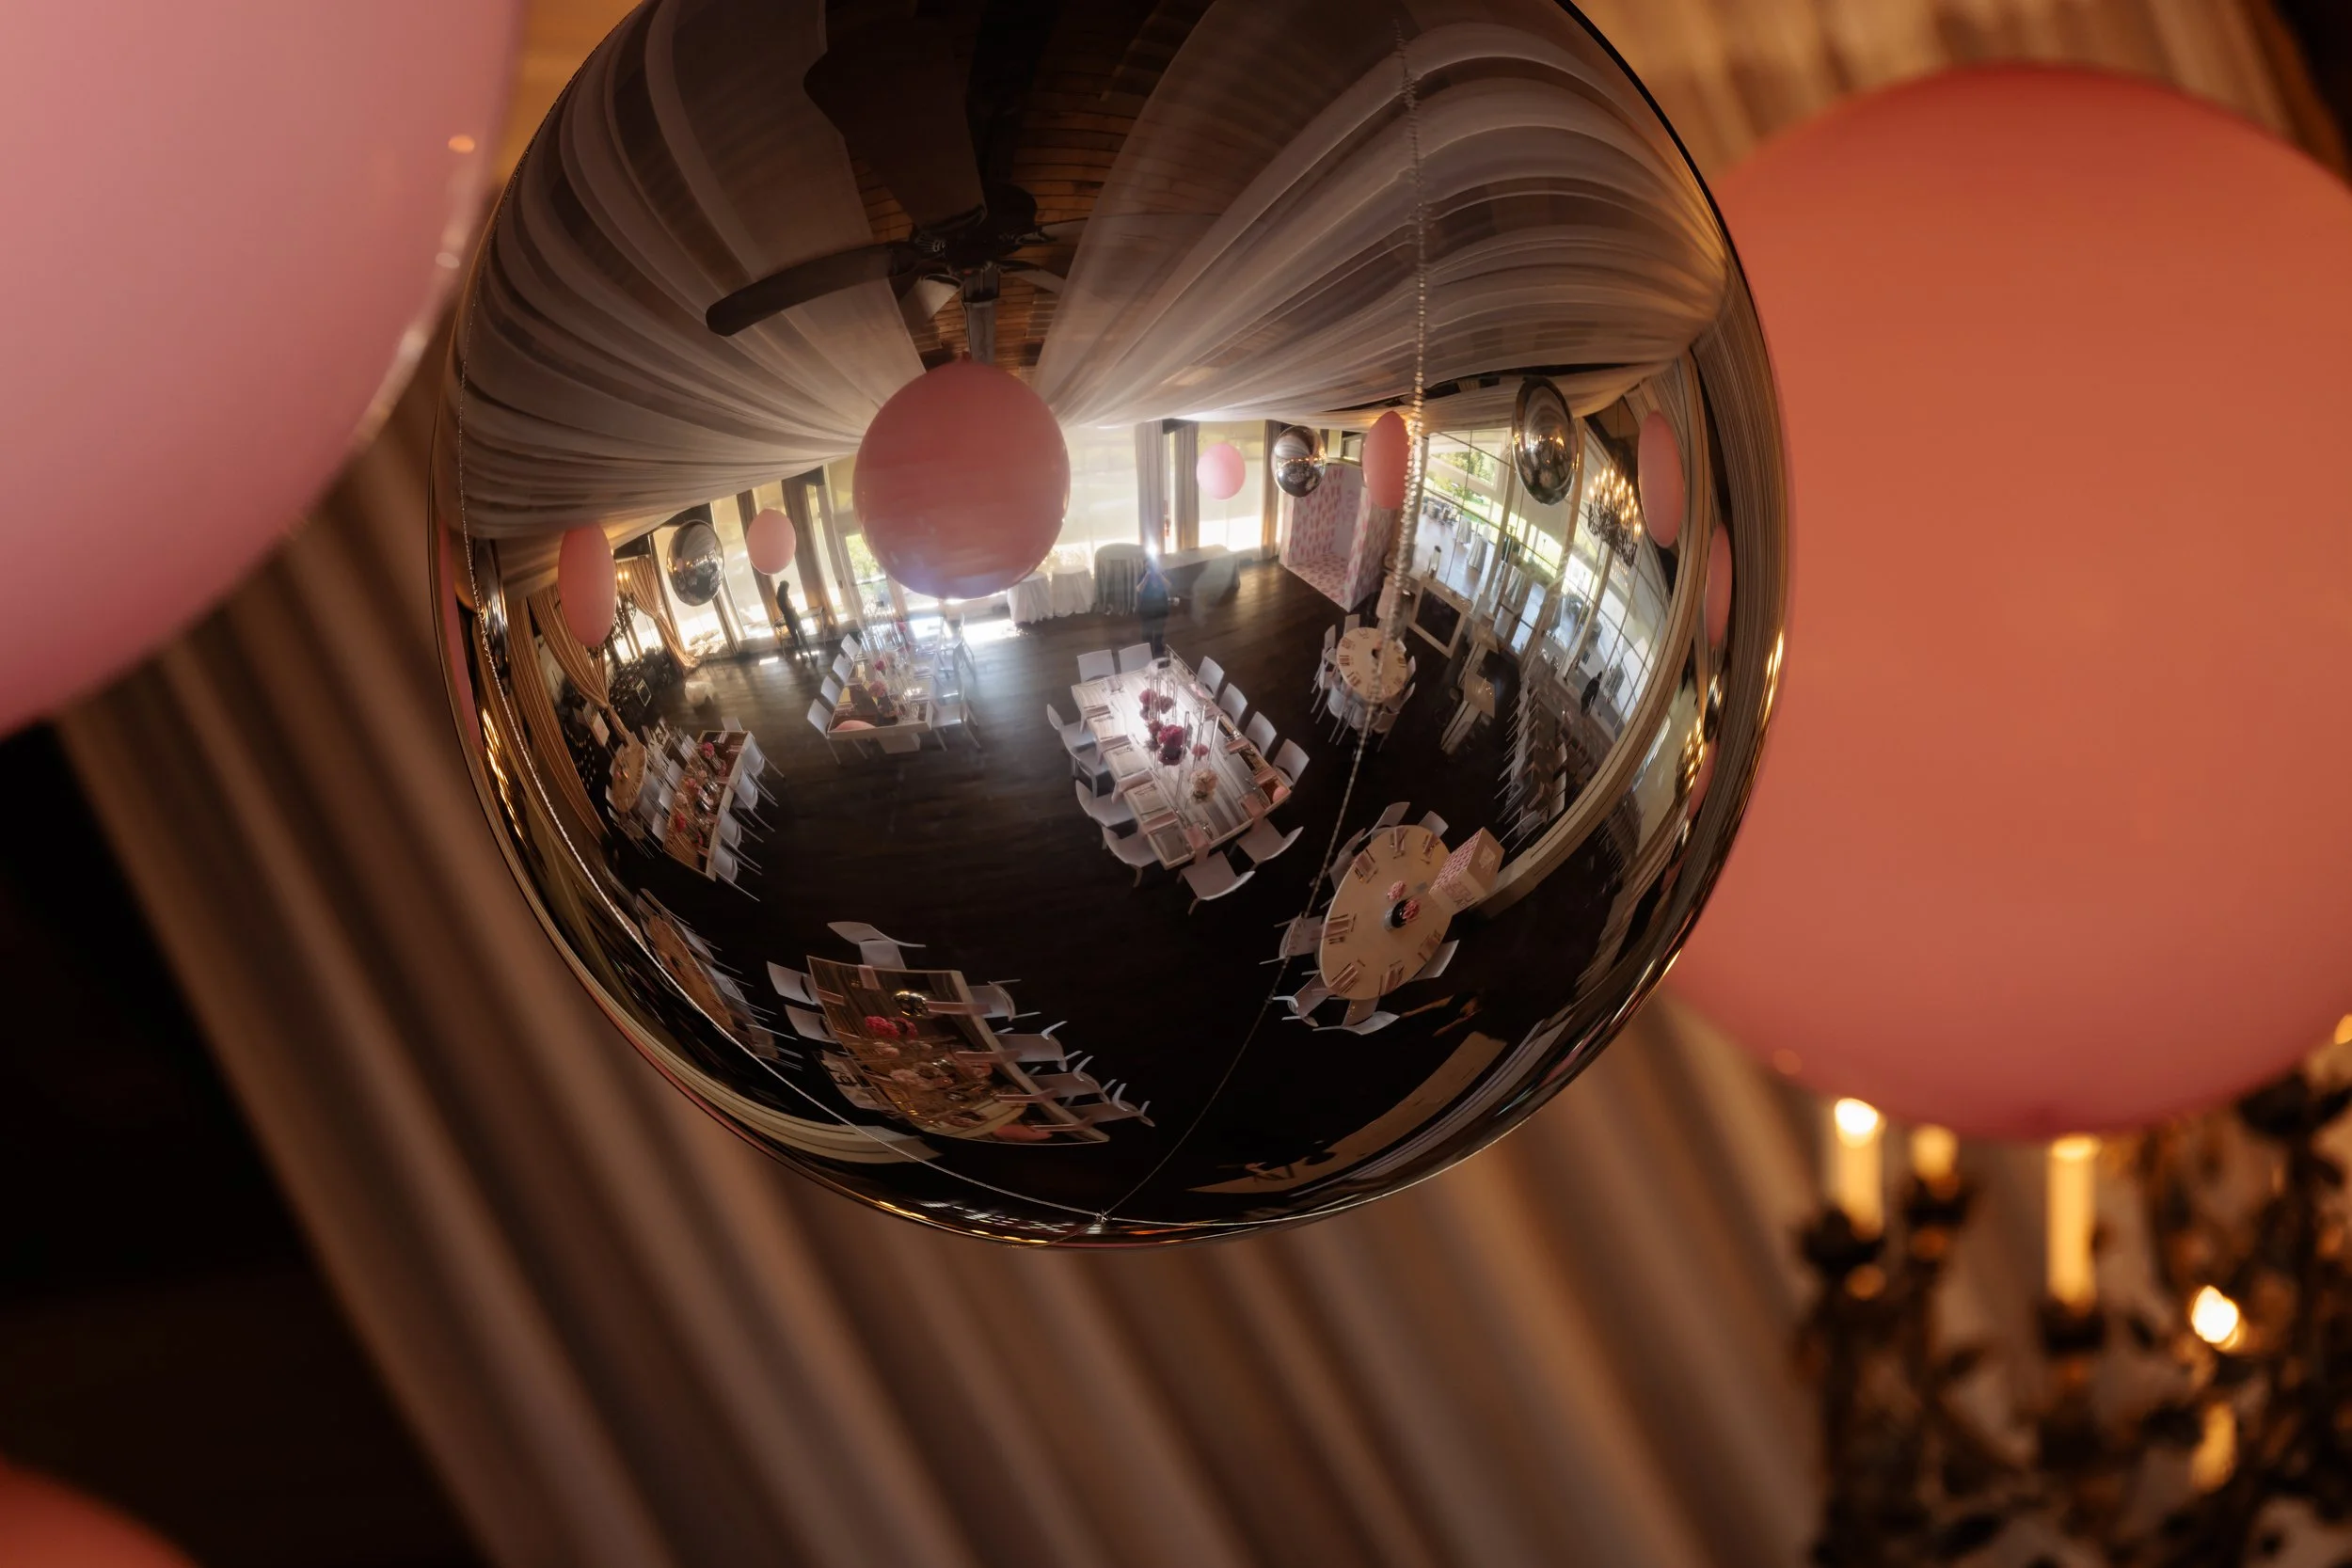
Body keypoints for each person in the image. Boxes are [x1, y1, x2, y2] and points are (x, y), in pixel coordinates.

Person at [1136, 558, 1171, 657]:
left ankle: (1159, 652)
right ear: (1145, 566)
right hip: (1147, 610)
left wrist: (1159, 574)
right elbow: (1139, 589)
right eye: (1148, 565)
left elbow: (1168, 586)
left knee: (1159, 634)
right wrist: (1147, 577)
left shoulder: (1162, 573)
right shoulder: (1143, 575)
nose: (1150, 567)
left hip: (1160, 609)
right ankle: (1148, 653)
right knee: (1147, 635)